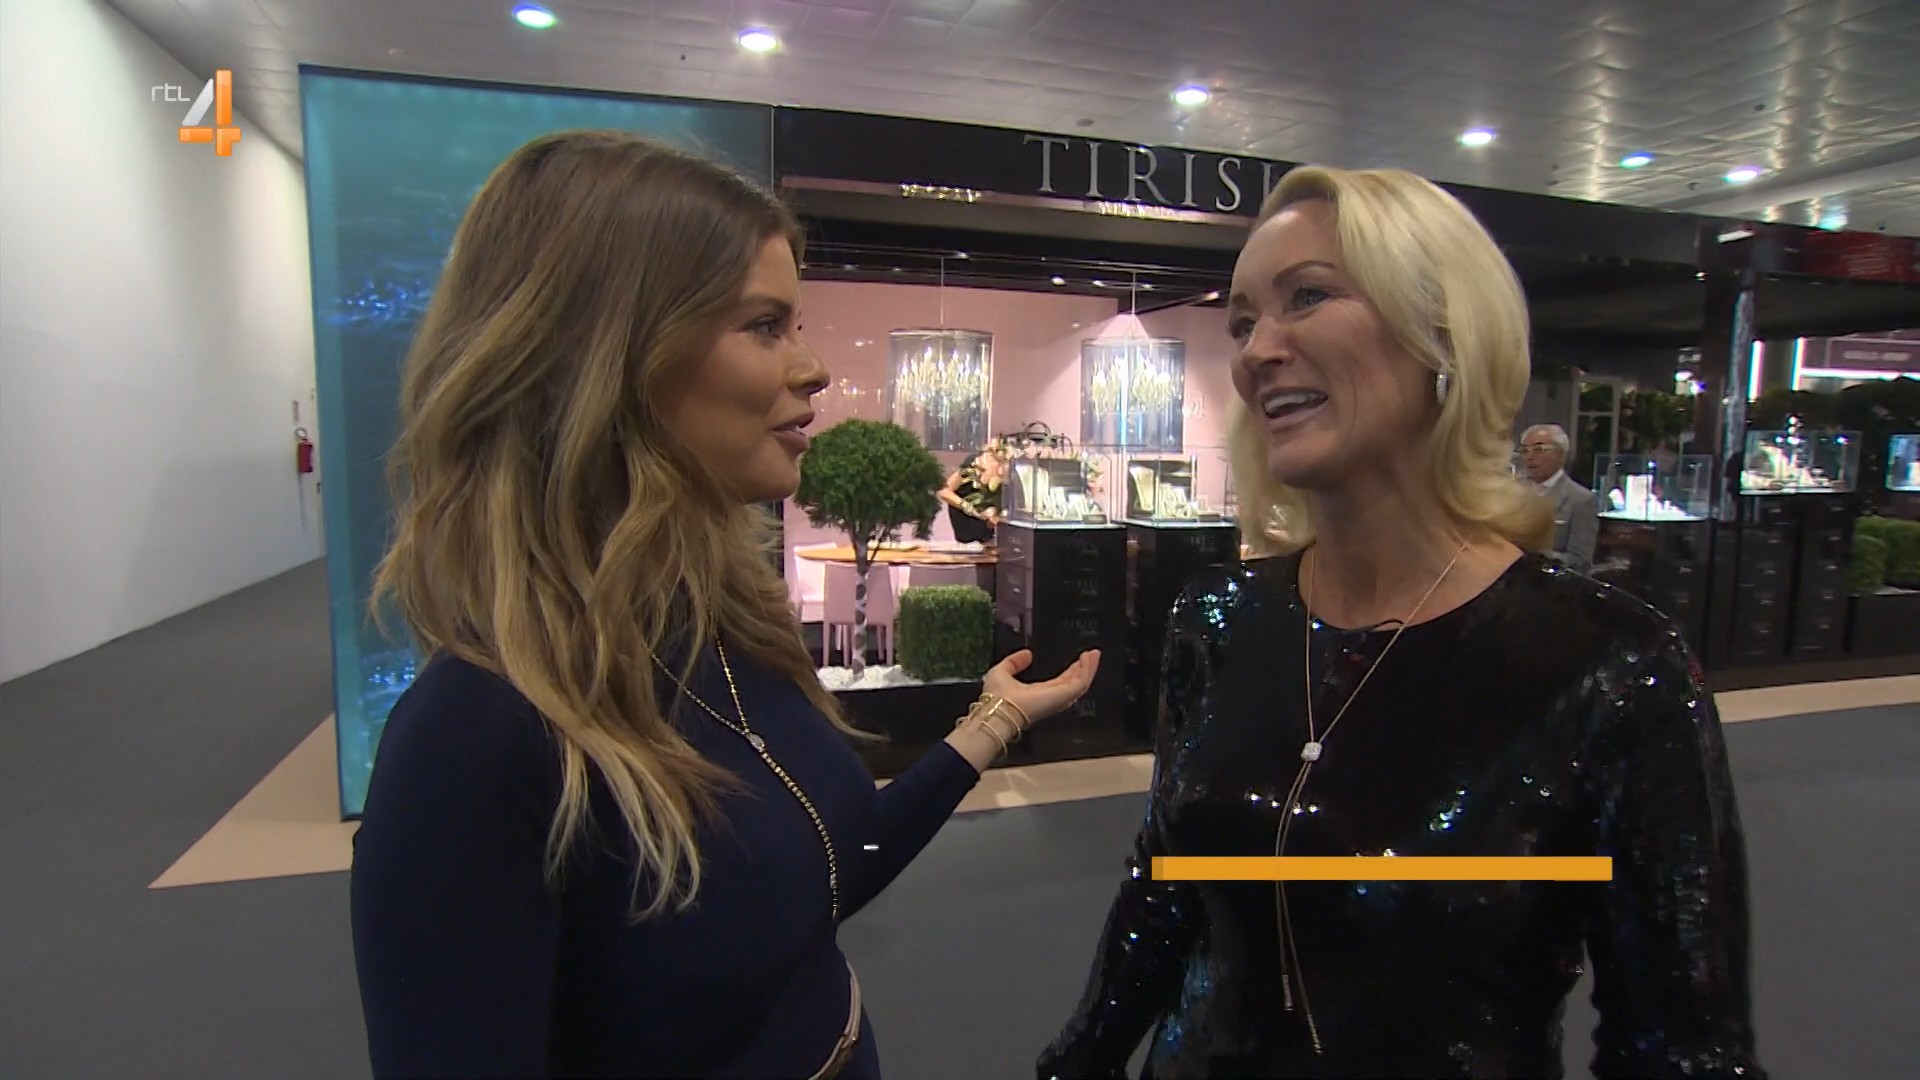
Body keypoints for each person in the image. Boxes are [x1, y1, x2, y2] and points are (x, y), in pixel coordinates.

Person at [348, 131, 1100, 1080]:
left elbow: (823, 867)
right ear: (613, 358)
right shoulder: (474, 737)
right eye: (765, 325)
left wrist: (992, 721)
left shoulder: (722, 630)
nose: (814, 367)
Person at [1038, 166, 1764, 1079]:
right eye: (1243, 322)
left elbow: (1685, 1050)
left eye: (1308, 297)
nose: (1259, 350)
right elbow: (1167, 888)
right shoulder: (1218, 619)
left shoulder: (1609, 665)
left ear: (1443, 336)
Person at [1520, 422, 1600, 573]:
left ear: (1560, 454)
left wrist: (1534, 556)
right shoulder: (1511, 492)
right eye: (1525, 450)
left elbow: (1580, 562)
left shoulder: (1580, 499)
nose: (1529, 457)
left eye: (1539, 450)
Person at [937, 449, 1001, 544]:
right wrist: (973, 510)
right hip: (966, 533)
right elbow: (945, 492)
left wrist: (995, 516)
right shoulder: (970, 468)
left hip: (988, 538)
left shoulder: (1002, 479)